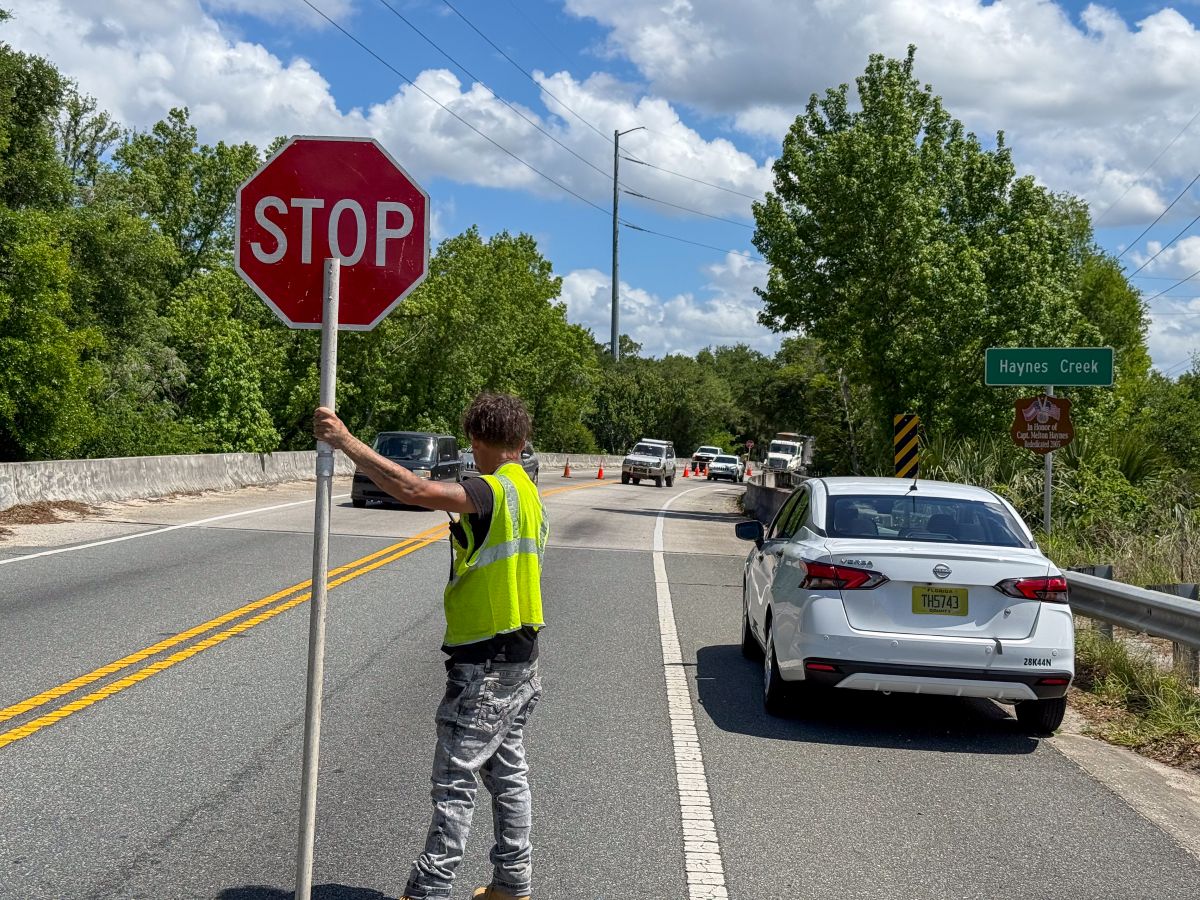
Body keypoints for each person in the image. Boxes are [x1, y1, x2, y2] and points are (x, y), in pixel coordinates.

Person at [313, 392, 547, 900]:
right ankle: (512, 883)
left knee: (454, 784)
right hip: (521, 660)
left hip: (484, 664)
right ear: (522, 440)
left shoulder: (489, 490)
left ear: (475, 440)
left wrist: (346, 440)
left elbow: (414, 488)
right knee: (508, 775)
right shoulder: (527, 493)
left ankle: (429, 891)